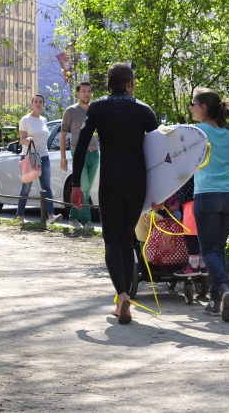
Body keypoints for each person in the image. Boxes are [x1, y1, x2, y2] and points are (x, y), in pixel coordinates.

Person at [71, 63, 159, 324]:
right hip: (137, 184)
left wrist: (77, 184)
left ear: (108, 84)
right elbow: (160, 153)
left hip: (111, 183)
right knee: (126, 239)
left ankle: (122, 296)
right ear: (130, 83)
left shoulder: (98, 107)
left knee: (111, 240)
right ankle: (125, 298)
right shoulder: (144, 110)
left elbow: (81, 146)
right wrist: (161, 192)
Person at [189, 88, 229, 323]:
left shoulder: (198, 132)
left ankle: (223, 288)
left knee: (208, 250)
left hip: (208, 196)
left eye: (193, 103)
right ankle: (214, 301)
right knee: (217, 250)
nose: (190, 108)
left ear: (204, 108)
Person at [16, 94, 63, 224]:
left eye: (40, 101)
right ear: (32, 104)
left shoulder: (44, 119)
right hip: (29, 156)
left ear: (43, 104)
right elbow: (21, 140)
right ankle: (20, 216)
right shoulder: (25, 119)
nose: (38, 103)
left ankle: (51, 217)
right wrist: (27, 140)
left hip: (44, 156)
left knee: (47, 187)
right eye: (36, 101)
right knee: (26, 187)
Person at [60, 82, 99, 229]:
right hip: (78, 152)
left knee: (86, 188)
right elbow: (63, 136)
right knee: (84, 186)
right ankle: (87, 221)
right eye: (83, 91)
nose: (86, 94)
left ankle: (74, 217)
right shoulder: (71, 111)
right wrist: (63, 157)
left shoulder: (94, 110)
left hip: (95, 153)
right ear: (77, 93)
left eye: (89, 91)